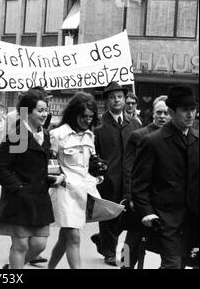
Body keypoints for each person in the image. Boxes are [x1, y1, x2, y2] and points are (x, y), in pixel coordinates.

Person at [0, 89, 64, 269]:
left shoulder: (46, 136)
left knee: (39, 245)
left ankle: (11, 269)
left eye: (46, 110)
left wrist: (51, 178)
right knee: (21, 245)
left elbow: (41, 167)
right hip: (19, 199)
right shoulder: (17, 136)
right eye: (40, 110)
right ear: (27, 112)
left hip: (39, 199)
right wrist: (18, 188)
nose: (44, 114)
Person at [132, 84, 199, 269]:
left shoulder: (197, 140)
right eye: (184, 110)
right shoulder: (152, 142)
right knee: (173, 264)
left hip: (193, 219)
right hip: (165, 220)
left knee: (188, 263)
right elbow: (138, 185)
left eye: (193, 109)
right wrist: (147, 212)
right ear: (171, 111)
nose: (190, 115)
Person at [47, 92, 103, 269]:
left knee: (65, 238)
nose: (87, 120)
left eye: (90, 117)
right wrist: (58, 178)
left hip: (83, 193)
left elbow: (90, 163)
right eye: (84, 116)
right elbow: (51, 165)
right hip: (65, 192)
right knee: (74, 237)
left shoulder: (90, 136)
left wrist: (98, 171)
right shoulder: (57, 134)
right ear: (73, 114)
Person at [91, 81, 141, 266]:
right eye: (112, 97)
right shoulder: (98, 125)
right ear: (106, 101)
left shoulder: (134, 123)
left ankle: (102, 240)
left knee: (128, 216)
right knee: (109, 217)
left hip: (130, 178)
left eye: (119, 97)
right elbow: (93, 152)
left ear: (125, 99)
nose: (116, 100)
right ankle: (110, 253)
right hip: (108, 179)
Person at [121, 95, 171, 269]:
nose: (162, 116)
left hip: (164, 202)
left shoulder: (175, 136)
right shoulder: (139, 136)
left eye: (166, 113)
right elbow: (129, 170)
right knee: (131, 242)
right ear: (153, 114)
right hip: (141, 200)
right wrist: (131, 198)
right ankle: (124, 266)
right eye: (159, 112)